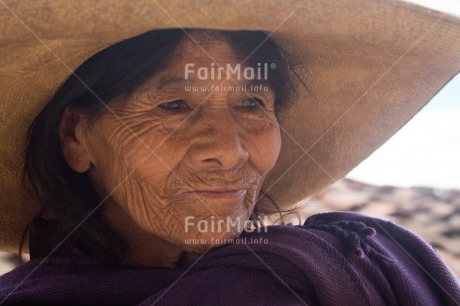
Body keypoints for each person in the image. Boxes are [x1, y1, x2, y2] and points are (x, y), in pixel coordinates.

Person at [1, 1, 459, 305]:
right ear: (76, 137)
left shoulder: (330, 269)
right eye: (174, 105)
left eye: (252, 104)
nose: (229, 149)